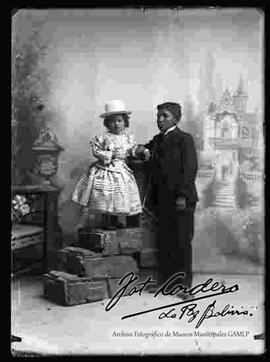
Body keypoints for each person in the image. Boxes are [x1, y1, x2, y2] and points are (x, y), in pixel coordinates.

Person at [136, 102, 198, 297]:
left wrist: (182, 195)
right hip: (162, 200)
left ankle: (184, 286)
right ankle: (164, 283)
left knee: (181, 242)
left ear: (176, 119)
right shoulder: (157, 140)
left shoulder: (184, 139)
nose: (159, 119)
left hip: (181, 199)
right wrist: (140, 150)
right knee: (164, 242)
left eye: (165, 116)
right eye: (158, 116)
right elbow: (143, 150)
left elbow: (189, 169)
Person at [72, 100, 142, 229]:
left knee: (120, 195)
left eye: (120, 121)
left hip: (122, 169)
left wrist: (137, 151)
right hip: (106, 169)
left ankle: (116, 219)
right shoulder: (102, 137)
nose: (116, 124)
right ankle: (108, 220)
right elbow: (96, 151)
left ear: (125, 122)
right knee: (105, 195)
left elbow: (132, 150)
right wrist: (109, 155)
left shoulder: (129, 138)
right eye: (112, 121)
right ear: (107, 123)